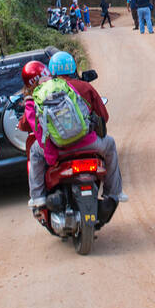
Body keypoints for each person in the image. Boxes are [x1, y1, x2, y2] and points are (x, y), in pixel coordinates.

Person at [22, 53, 126, 208]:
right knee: (110, 143)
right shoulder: (82, 87)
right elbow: (104, 116)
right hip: (89, 143)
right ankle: (113, 192)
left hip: (58, 150)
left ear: (51, 71)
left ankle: (38, 197)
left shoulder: (40, 92)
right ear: (73, 67)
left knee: (36, 152)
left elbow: (27, 123)